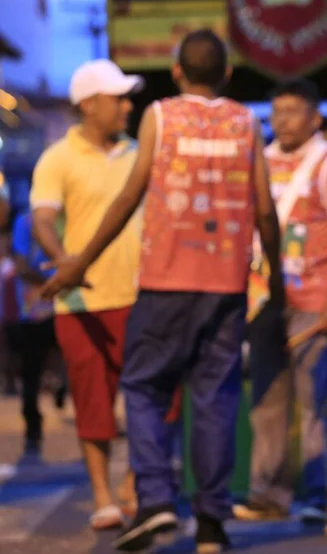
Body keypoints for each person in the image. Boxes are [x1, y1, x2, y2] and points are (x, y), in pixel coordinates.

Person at [42, 29, 284, 553]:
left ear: (177, 73)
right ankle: (213, 524)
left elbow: (131, 195)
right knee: (215, 400)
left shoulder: (160, 116)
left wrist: (77, 262)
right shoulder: (245, 121)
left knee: (145, 388)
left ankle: (154, 502)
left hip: (164, 283)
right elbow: (265, 209)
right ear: (225, 74)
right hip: (225, 287)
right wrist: (278, 282)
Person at [235, 79, 327, 524]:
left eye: (292, 112)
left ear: (314, 117)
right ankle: (267, 493)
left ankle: (316, 494)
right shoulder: (261, 161)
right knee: (267, 398)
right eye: (276, 111)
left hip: (315, 296)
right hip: (265, 298)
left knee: (314, 401)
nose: (282, 121)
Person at [30, 59, 143, 530]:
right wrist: (65, 264)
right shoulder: (57, 157)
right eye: (117, 98)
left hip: (142, 298)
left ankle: (136, 482)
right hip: (81, 303)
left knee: (150, 400)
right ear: (88, 105)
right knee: (92, 402)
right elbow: (41, 218)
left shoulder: (142, 151)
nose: (126, 106)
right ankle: (102, 494)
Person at [8, 211, 59, 456]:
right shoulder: (25, 221)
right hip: (34, 310)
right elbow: (20, 265)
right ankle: (32, 428)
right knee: (31, 373)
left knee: (66, 363)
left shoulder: (68, 215)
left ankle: (61, 389)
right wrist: (55, 283)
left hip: (63, 305)